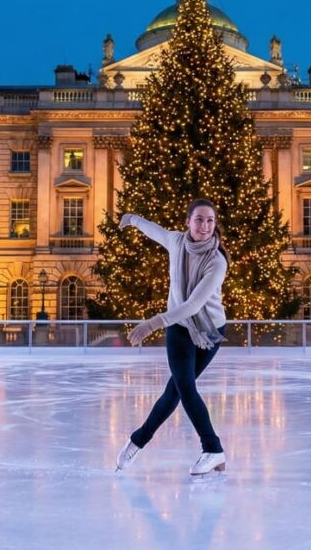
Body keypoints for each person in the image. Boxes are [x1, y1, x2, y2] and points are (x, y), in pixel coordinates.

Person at [114, 198, 229, 477]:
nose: (205, 226)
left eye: (210, 220)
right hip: (178, 329)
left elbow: (192, 304)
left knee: (181, 389)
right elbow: (154, 231)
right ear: (188, 222)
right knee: (180, 388)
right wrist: (132, 218)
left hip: (208, 331)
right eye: (199, 219)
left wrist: (151, 324)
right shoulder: (176, 242)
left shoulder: (217, 261)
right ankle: (142, 441)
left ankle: (211, 449)